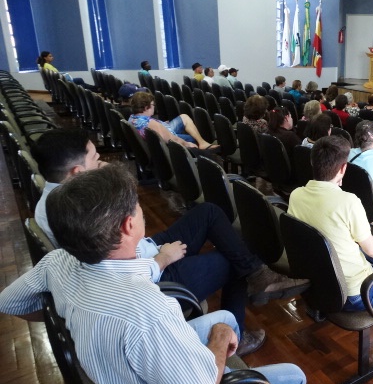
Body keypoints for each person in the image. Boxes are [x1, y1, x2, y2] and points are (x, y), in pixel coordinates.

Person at [0, 164, 306, 384]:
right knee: (294, 379)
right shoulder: (147, 309)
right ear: (127, 226)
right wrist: (220, 338)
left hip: (120, 372)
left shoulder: (57, 261)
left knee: (223, 315)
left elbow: (9, 302)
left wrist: (65, 312)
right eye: (138, 206)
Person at [30, 129, 309, 355]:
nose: (100, 158)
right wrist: (160, 260)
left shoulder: (56, 202)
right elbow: (109, 275)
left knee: (209, 212)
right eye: (94, 157)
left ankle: (255, 276)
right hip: (155, 274)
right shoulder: (74, 210)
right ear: (77, 172)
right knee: (236, 259)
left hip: (147, 250)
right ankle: (236, 333)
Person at [288, 136, 373, 331]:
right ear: (343, 169)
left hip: (320, 285)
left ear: (312, 163)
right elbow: (372, 249)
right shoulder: (348, 201)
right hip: (356, 294)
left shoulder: (296, 195)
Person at [128, 92, 216, 150]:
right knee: (193, 138)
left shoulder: (132, 118)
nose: (154, 106)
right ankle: (202, 144)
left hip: (162, 133)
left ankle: (202, 142)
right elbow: (172, 140)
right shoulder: (151, 124)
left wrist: (162, 124)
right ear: (146, 107)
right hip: (167, 143)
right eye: (153, 105)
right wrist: (187, 144)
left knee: (184, 117)